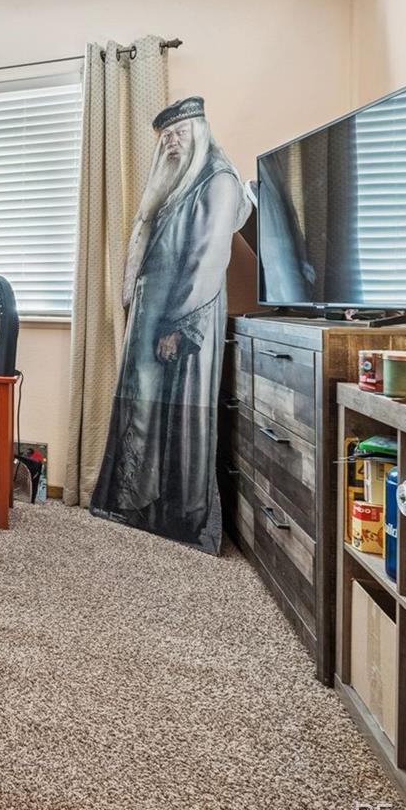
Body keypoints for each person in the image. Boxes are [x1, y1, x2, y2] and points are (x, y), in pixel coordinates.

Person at [89, 96, 252, 553]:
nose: (172, 143)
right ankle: (136, 501)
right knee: (141, 408)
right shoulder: (178, 182)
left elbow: (206, 260)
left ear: (198, 132)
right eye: (166, 137)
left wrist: (179, 325)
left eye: (179, 133)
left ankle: (178, 513)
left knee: (178, 417)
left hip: (181, 324)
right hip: (153, 317)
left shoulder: (217, 181)